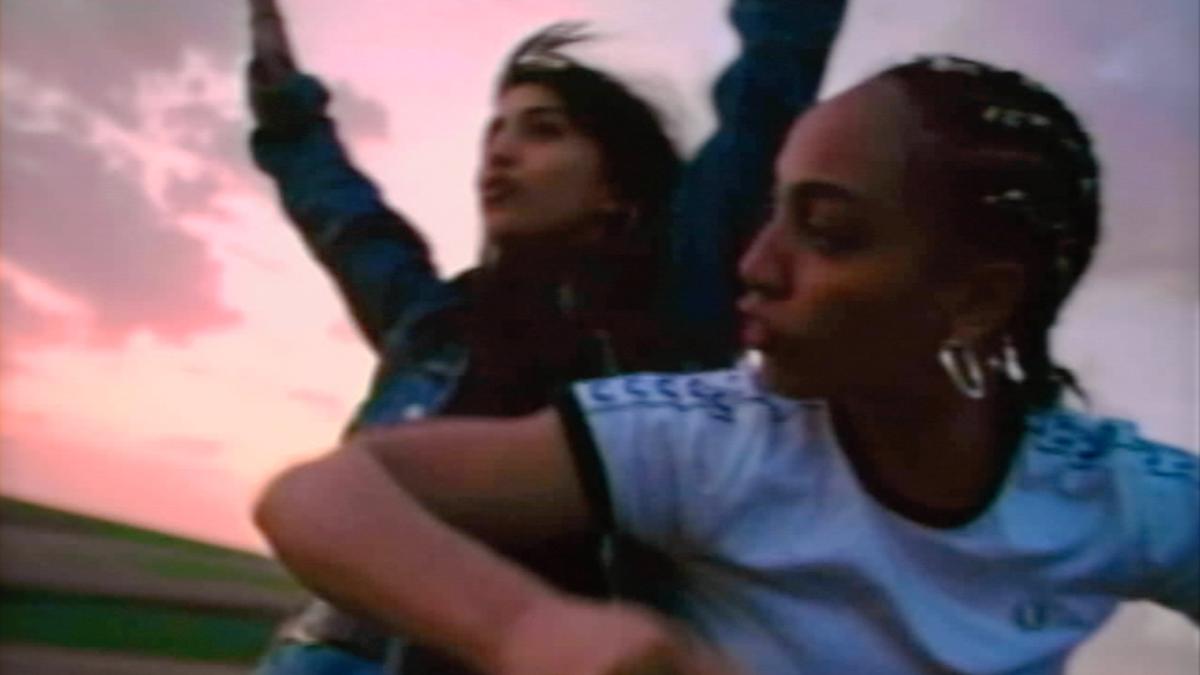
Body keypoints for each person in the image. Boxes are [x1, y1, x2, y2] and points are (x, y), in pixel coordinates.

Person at [255, 55, 1200, 674]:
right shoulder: (684, 423)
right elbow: (324, 486)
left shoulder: (1115, 491)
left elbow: (768, 80)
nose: (760, 264)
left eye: (826, 231)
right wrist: (527, 624)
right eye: (494, 129)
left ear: (980, 298)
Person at [245, 0, 848, 672]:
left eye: (543, 130)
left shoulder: (674, 311)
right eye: (495, 132)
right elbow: (344, 214)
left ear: (615, 187)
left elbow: (767, 95)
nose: (500, 152)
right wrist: (284, 105)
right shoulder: (434, 319)